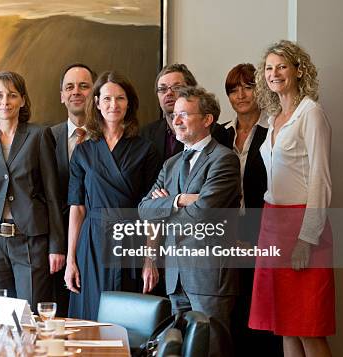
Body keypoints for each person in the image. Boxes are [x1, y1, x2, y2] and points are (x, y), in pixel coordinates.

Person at [138, 87, 241, 357]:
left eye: (184, 114)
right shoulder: (171, 164)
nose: (176, 120)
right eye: (174, 115)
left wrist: (166, 206)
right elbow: (144, 209)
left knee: (213, 350)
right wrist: (180, 199)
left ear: (207, 119)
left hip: (209, 277)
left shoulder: (224, 159)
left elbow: (204, 213)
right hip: (176, 278)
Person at [248, 40, 334, 357]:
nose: (275, 73)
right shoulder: (273, 119)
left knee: (308, 327)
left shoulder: (311, 113)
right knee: (284, 326)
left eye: (282, 66)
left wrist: (307, 238)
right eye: (269, 68)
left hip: (303, 226)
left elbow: (321, 180)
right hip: (273, 224)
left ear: (298, 70)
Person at [0, 71, 65, 314]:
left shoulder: (39, 135)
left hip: (31, 239)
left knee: (31, 316)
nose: (5, 102)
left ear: (22, 99)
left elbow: (52, 195)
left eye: (11, 95)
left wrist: (57, 246)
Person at [64, 71, 158, 321]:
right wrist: (71, 260)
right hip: (92, 243)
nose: (113, 105)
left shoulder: (146, 150)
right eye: (106, 99)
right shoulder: (83, 151)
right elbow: (78, 208)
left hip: (131, 240)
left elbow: (152, 211)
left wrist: (151, 260)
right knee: (90, 317)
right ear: (96, 102)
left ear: (129, 104)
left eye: (120, 98)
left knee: (126, 321)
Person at [212, 64, 282, 357]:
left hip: (262, 231)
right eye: (233, 89)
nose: (240, 94)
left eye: (247, 86)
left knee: (263, 310)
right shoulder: (219, 134)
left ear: (260, 90)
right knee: (231, 310)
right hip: (226, 234)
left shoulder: (274, 132)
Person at [51, 63, 96, 317]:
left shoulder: (107, 138)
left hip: (95, 240)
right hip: (55, 249)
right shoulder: (47, 137)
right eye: (69, 87)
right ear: (61, 96)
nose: (76, 92)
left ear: (95, 93)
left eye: (84, 86)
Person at [141, 64, 198, 169]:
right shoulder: (145, 135)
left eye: (176, 88)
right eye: (162, 89)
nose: (169, 93)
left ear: (192, 91)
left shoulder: (211, 131)